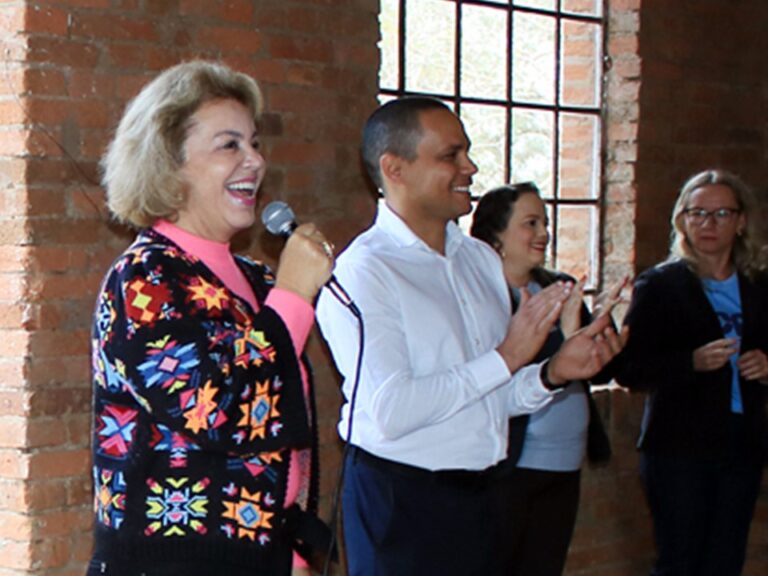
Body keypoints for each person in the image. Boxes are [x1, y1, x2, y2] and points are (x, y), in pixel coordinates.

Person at [315, 96, 627, 576]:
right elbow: (392, 410)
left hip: (486, 493)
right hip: (403, 499)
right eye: (451, 155)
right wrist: (505, 357)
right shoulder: (365, 272)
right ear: (394, 169)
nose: (471, 166)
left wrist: (553, 372)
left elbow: (491, 398)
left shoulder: (479, 260)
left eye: (467, 152)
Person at [88, 61, 334, 576]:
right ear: (169, 165)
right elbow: (215, 410)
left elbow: (282, 420)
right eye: (230, 145)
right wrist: (292, 295)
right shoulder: (144, 278)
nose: (255, 161)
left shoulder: (253, 278)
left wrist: (288, 547)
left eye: (255, 143)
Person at [617, 169, 768, 576]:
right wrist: (690, 362)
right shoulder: (661, 285)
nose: (708, 223)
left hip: (743, 442)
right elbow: (629, 368)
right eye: (697, 212)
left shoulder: (759, 283)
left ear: (741, 222)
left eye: (721, 214)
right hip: (679, 446)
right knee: (680, 561)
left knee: (725, 560)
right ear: (681, 220)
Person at [470, 182, 616, 576]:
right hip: (511, 463)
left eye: (546, 223)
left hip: (563, 462)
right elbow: (491, 373)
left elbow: (597, 367)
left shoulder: (557, 286)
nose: (543, 234)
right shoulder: (479, 294)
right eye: (530, 223)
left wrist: (598, 327)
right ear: (495, 234)